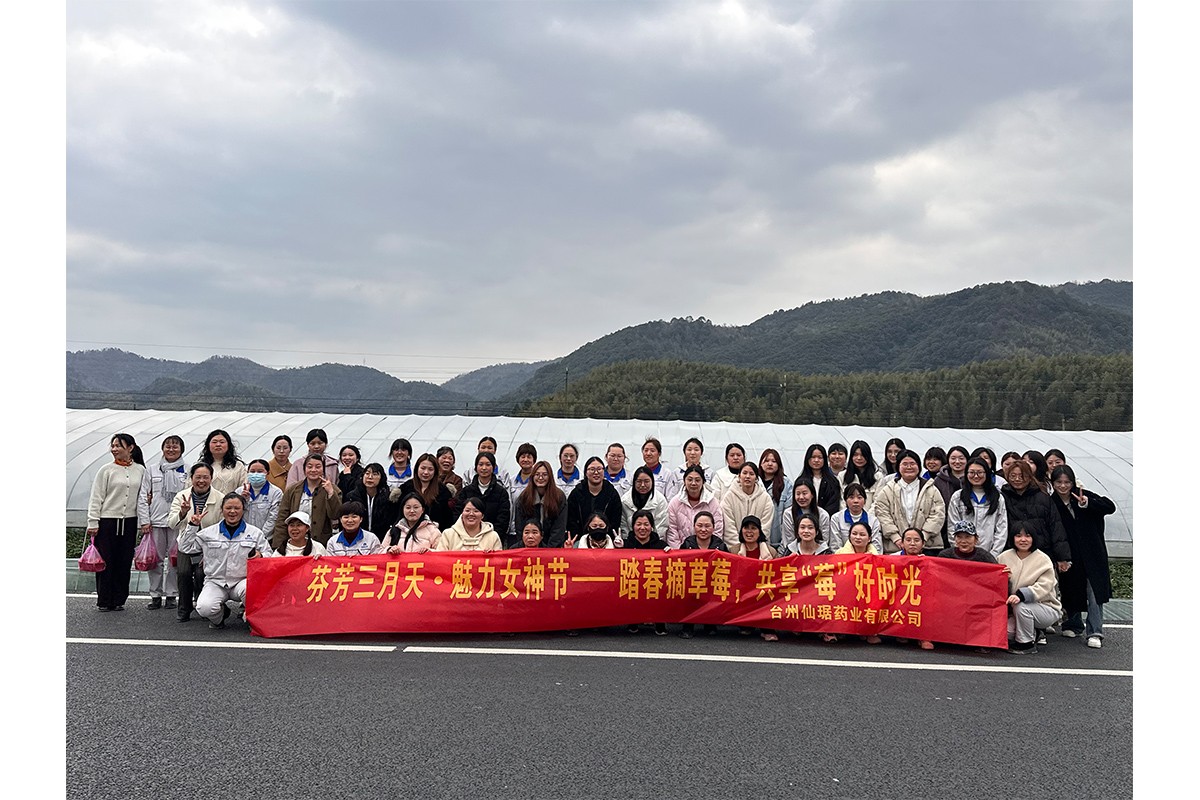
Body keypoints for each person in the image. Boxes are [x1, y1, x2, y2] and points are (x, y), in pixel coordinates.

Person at [177, 492, 272, 629]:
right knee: (204, 608)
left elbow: (269, 555)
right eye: (228, 508)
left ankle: (253, 619)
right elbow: (185, 548)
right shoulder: (208, 533)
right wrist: (192, 525)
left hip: (242, 581)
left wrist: (261, 555)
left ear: (243, 510)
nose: (232, 512)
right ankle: (220, 616)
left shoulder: (255, 533)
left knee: (252, 590)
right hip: (215, 581)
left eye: (237, 508)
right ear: (222, 510)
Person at [1050, 465, 1116, 648]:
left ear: (1073, 482)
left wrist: (1087, 503)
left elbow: (1110, 506)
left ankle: (1095, 631)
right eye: (1059, 482)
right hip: (1069, 553)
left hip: (1093, 553)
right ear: (1053, 483)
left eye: (1067, 482)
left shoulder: (1083, 495)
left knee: (1094, 592)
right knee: (1071, 588)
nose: (1063, 486)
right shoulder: (1052, 503)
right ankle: (1073, 624)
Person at [87, 433, 146, 613]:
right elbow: (96, 497)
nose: (114, 449)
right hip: (107, 521)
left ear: (130, 448)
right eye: (113, 446)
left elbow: (144, 496)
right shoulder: (106, 470)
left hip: (129, 522)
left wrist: (144, 521)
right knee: (106, 560)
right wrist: (93, 521)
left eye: (118, 445)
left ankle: (119, 599)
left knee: (124, 560)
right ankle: (105, 600)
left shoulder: (140, 470)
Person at [168, 462, 222, 622]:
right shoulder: (182, 496)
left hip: (209, 545)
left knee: (201, 574)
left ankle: (202, 605)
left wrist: (211, 552)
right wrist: (182, 513)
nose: (201, 481)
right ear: (191, 478)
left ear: (211, 478)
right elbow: (171, 524)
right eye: (198, 477)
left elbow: (221, 526)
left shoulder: (220, 498)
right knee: (183, 573)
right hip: (186, 543)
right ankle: (184, 609)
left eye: (205, 477)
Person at [137, 434, 185, 610]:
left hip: (177, 521)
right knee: (155, 560)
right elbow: (143, 496)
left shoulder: (187, 470)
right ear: (162, 449)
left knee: (174, 560)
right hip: (155, 521)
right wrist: (144, 521)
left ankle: (171, 594)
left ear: (181, 450)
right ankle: (155, 595)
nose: (171, 449)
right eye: (168, 446)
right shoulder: (152, 470)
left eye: (175, 446)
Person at [999, 526, 1063, 654]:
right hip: (1015, 610)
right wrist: (1005, 579)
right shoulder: (1003, 557)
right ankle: (1035, 632)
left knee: (1021, 606)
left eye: (1027, 536)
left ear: (1034, 538)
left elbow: (1045, 585)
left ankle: (1026, 644)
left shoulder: (1043, 559)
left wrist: (1021, 595)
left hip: (1045, 607)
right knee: (1006, 633)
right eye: (1018, 536)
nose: (1023, 539)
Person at [873, 449, 946, 555]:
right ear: (898, 467)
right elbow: (882, 514)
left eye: (912, 464)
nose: (909, 467)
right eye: (905, 464)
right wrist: (896, 538)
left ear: (919, 466)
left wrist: (922, 538)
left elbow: (938, 514)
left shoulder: (931, 488)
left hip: (928, 546)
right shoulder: (887, 490)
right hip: (895, 547)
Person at [1001, 460, 1070, 569]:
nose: (1017, 479)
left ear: (1030, 477)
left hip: (1042, 552)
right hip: (1013, 554)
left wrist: (1062, 556)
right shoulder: (1002, 498)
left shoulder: (1043, 497)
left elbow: (1055, 527)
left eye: (1022, 476)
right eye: (1013, 476)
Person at [272, 454, 343, 549]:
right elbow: (282, 519)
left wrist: (330, 493)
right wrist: (278, 546)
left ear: (323, 469)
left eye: (318, 467)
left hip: (321, 543)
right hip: (295, 542)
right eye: (309, 467)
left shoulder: (332, 489)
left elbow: (335, 515)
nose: (313, 470)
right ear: (304, 469)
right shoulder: (292, 490)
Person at [677, 511, 728, 639]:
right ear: (694, 527)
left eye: (707, 526)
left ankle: (710, 624)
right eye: (700, 526)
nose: (703, 529)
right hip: (692, 584)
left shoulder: (720, 546)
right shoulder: (687, 544)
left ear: (713, 528)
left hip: (712, 585)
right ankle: (688, 626)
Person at [947, 457, 1008, 558]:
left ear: (987, 473)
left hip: (990, 555)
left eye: (980, 472)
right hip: (963, 555)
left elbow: (1002, 528)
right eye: (972, 472)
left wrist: (993, 554)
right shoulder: (958, 497)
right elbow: (952, 527)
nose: (976, 476)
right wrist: (960, 552)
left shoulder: (997, 498)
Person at [732, 516, 779, 641]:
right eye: (746, 528)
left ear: (760, 532)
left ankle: (767, 628)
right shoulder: (733, 551)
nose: (749, 532)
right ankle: (746, 624)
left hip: (764, 592)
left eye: (753, 528)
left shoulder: (771, 552)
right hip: (743, 593)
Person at [891, 527, 936, 650]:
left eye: (916, 540)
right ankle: (901, 632)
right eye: (908, 540)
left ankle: (924, 637)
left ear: (923, 544)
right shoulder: (892, 558)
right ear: (902, 543)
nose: (912, 543)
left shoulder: (929, 561)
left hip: (919, 596)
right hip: (898, 594)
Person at [565, 456, 623, 545]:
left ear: (604, 471)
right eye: (592, 469)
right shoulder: (576, 493)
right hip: (580, 541)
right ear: (586, 472)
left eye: (599, 469)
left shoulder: (612, 494)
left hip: (607, 540)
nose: (596, 472)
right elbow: (571, 521)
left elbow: (615, 521)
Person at [458, 452, 513, 545]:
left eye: (488, 464)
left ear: (494, 467)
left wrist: (493, 537)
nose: (484, 468)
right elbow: (458, 514)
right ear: (476, 467)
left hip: (492, 540)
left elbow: (503, 518)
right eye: (481, 464)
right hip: (467, 539)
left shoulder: (501, 492)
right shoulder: (466, 491)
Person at [719, 462, 775, 551]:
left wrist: (753, 547)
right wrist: (739, 548)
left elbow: (765, 528)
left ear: (756, 478)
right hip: (734, 549)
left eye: (751, 474)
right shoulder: (728, 498)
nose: (747, 476)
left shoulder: (766, 499)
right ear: (739, 476)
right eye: (744, 473)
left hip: (759, 548)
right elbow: (729, 528)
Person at [513, 460, 568, 549]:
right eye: (537, 474)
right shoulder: (524, 497)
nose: (541, 478)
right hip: (529, 547)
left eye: (545, 475)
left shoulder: (559, 497)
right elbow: (520, 528)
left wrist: (550, 550)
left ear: (550, 477)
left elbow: (559, 528)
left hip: (552, 548)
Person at [666, 465, 724, 549]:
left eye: (697, 480)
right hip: (682, 551)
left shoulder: (712, 502)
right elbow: (672, 531)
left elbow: (717, 529)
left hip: (707, 551)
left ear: (703, 482)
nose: (693, 483)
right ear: (684, 481)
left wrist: (709, 551)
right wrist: (679, 551)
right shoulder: (675, 502)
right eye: (690, 480)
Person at [398, 453, 455, 529]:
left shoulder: (443, 491)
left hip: (435, 532)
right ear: (417, 468)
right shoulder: (406, 488)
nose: (426, 472)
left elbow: (447, 519)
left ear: (435, 471)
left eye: (430, 469)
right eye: (423, 468)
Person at [346, 462, 400, 537]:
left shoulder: (388, 498)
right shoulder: (352, 496)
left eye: (375, 474)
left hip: (383, 537)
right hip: (358, 536)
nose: (370, 477)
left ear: (381, 478)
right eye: (367, 473)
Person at [779, 478, 832, 551]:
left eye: (804, 493)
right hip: (794, 553)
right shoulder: (788, 514)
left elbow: (824, 541)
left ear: (812, 494)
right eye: (798, 494)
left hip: (818, 553)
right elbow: (789, 541)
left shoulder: (823, 515)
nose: (801, 497)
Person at [931, 445, 969, 549]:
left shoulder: (972, 479)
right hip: (944, 528)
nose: (957, 461)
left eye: (961, 458)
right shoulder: (939, 480)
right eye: (953, 458)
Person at [827, 483, 882, 554]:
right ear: (845, 500)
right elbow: (835, 547)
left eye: (859, 497)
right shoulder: (836, 518)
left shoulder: (873, 520)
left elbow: (877, 547)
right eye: (851, 497)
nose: (856, 501)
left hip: (868, 558)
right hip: (844, 558)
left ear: (865, 500)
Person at [620, 466, 670, 540]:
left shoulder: (660, 500)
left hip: (654, 543)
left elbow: (661, 527)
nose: (642, 485)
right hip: (631, 542)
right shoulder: (625, 501)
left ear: (652, 482)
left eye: (646, 481)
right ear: (634, 482)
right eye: (639, 481)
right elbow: (624, 527)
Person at [238, 459, 282, 540]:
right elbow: (235, 514)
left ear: (267, 473)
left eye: (260, 471)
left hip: (266, 538)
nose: (255, 474)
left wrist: (260, 536)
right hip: (242, 537)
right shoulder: (239, 491)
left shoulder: (275, 492)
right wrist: (242, 501)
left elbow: (273, 518)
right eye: (252, 471)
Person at [437, 496, 502, 551]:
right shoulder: (448, 534)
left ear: (482, 516)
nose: (471, 514)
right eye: (467, 510)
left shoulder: (493, 536)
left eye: (476, 511)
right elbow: (440, 558)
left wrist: (491, 555)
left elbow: (499, 560)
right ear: (462, 513)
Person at [758, 448, 792, 549]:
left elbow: (789, 512)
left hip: (777, 538)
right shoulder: (755, 482)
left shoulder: (786, 484)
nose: (770, 464)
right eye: (766, 461)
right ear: (761, 463)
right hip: (755, 539)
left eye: (773, 461)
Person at [840, 440, 886, 512]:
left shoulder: (877, 476)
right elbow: (842, 501)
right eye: (855, 455)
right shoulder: (842, 476)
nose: (859, 458)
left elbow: (878, 501)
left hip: (870, 516)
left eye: (862, 455)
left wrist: (867, 516)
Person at [797, 444, 842, 516]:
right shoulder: (801, 481)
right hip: (803, 519)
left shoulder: (833, 481)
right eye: (813, 457)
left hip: (826, 519)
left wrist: (822, 517)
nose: (816, 460)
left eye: (820, 457)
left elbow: (834, 504)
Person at [200, 428, 248, 497]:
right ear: (208, 445)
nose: (218, 444)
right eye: (214, 442)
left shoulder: (238, 466)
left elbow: (243, 488)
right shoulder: (201, 466)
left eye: (222, 442)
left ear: (228, 445)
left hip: (231, 503)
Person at [507, 443, 539, 538]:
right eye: (523, 456)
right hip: (513, 530)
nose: (525, 459)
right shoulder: (511, 481)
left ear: (534, 460)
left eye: (529, 457)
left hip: (533, 532)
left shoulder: (538, 481)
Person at [641, 437, 680, 502]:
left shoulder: (667, 474)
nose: (648, 453)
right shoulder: (638, 473)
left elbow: (670, 498)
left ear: (659, 454)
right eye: (646, 450)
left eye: (652, 451)